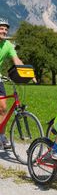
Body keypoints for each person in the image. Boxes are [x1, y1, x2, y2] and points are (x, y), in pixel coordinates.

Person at [0, 18, 26, 150]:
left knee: (3, 108)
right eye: (1, 28)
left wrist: (27, 72)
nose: (4, 31)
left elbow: (16, 60)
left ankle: (1, 137)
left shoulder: (8, 45)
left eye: (5, 29)